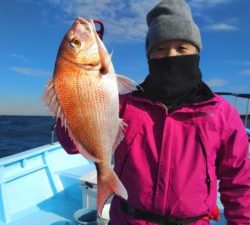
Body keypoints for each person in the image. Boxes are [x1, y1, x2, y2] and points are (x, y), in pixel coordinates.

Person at [56, 0, 250, 224]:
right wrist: (72, 89)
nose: (171, 56)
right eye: (160, 49)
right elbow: (70, 144)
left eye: (182, 48)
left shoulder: (222, 114)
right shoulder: (125, 104)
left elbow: (239, 184)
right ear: (149, 56)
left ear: (196, 52)